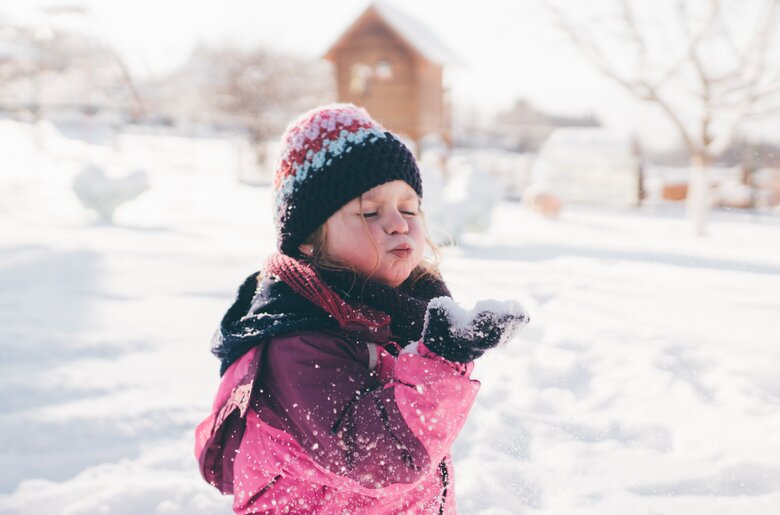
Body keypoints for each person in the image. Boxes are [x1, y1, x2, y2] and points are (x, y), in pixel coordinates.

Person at [194, 104, 528, 513]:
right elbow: (379, 460)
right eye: (370, 212)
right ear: (308, 240)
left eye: (409, 208)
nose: (399, 224)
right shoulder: (296, 343)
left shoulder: (398, 310)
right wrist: (442, 361)